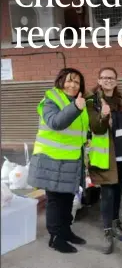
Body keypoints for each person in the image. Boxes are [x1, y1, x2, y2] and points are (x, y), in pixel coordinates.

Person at [27, 68, 89, 253]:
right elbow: (55, 122)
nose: (72, 85)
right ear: (61, 81)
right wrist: (76, 107)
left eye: (77, 82)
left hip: (71, 160)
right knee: (55, 200)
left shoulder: (78, 102)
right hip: (52, 161)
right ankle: (55, 237)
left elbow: (79, 130)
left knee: (68, 198)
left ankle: (66, 231)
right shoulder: (50, 100)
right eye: (69, 80)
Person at [86, 67, 122, 254]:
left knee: (118, 192)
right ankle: (107, 230)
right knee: (107, 194)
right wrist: (104, 115)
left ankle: (116, 224)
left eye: (111, 78)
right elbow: (96, 128)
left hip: (121, 154)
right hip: (105, 157)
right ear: (99, 81)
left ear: (116, 81)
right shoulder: (92, 101)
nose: (108, 80)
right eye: (104, 78)